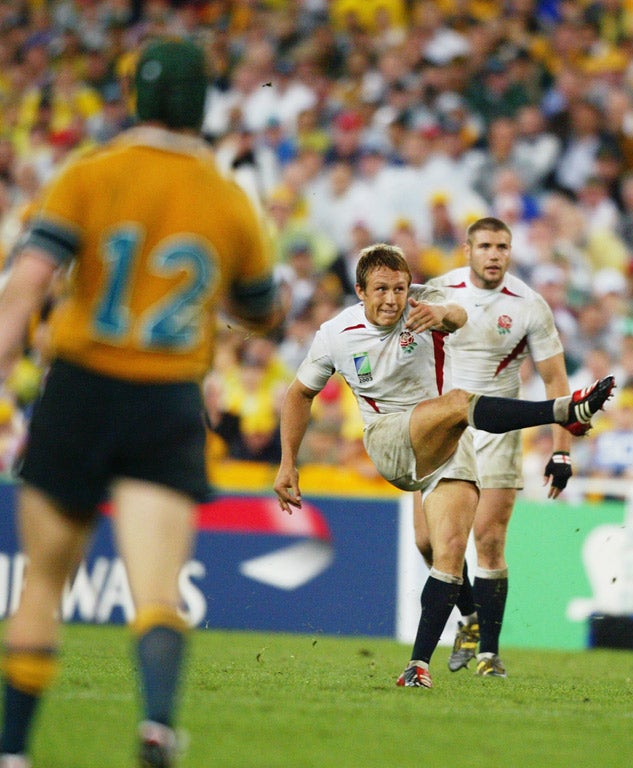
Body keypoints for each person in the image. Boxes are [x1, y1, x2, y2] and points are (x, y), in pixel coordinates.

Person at [0, 39, 281, 768]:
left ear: (136, 97)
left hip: (82, 388)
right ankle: (156, 726)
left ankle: (13, 752)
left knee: (43, 583)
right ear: (203, 105)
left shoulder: (89, 175)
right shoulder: (229, 199)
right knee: (157, 589)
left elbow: (27, 286)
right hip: (165, 399)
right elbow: (262, 310)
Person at [272, 243, 614, 689]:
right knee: (456, 403)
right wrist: (287, 464)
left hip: (446, 443)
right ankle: (563, 410)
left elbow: (458, 316)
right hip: (390, 439)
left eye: (399, 288)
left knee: (445, 551)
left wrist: (443, 316)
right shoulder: (336, 333)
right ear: (360, 291)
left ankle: (420, 664)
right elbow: (299, 394)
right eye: (381, 290)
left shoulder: (424, 308)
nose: (392, 299)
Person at [426, 217, 574, 678]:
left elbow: (555, 381)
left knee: (488, 539)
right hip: (445, 425)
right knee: (427, 542)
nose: (494, 254)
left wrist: (562, 450)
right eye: (486, 245)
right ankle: (468, 618)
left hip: (499, 429)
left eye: (502, 247)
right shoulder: (438, 291)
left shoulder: (529, 304)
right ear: (467, 249)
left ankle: (489, 654)